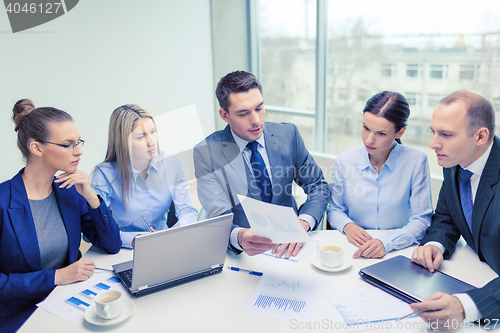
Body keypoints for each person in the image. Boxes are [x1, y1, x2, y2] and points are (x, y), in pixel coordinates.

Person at [0, 99, 121, 332]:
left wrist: (91, 197)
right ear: (37, 148)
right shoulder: (3, 201)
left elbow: (111, 245)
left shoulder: (69, 191)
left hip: (68, 303)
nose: (79, 151)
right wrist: (55, 277)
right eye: (68, 145)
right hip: (20, 314)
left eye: (78, 142)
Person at [193, 70, 329, 259]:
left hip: (293, 247)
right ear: (225, 115)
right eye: (243, 113)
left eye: (259, 108)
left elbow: (318, 186)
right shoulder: (206, 153)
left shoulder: (289, 135)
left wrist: (303, 223)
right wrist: (239, 237)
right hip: (243, 256)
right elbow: (219, 218)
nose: (256, 120)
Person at [410, 90, 500, 329]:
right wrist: (435, 244)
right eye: (433, 132)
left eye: (446, 134)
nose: (433, 144)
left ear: (480, 136)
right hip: (474, 272)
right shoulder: (454, 161)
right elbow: (446, 215)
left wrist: (466, 307)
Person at [327, 91, 432, 259]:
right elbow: (334, 209)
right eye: (365, 128)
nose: (369, 140)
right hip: (352, 248)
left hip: (399, 251)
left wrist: (386, 242)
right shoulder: (344, 161)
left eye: (381, 133)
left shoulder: (416, 160)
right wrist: (348, 226)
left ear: (400, 132)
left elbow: (422, 220)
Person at [92, 104, 198, 248]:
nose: (152, 142)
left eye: (153, 131)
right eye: (141, 137)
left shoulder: (172, 163)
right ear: (123, 142)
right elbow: (96, 230)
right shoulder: (105, 174)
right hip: (124, 249)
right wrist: (136, 239)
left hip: (165, 245)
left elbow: (187, 211)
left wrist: (172, 235)